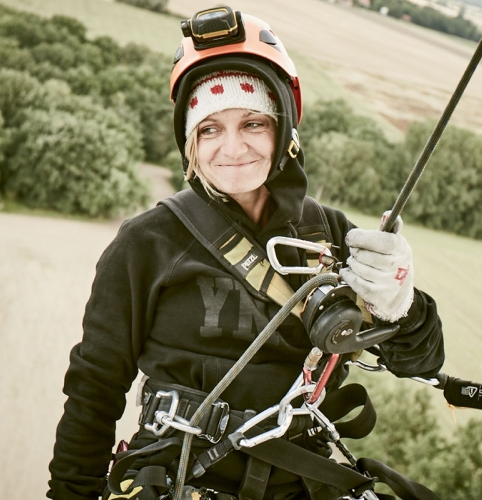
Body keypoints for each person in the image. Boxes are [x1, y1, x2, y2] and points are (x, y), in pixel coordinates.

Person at [48, 7, 444, 500]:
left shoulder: (331, 235)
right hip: (178, 476)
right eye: (210, 128)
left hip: (304, 483)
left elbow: (423, 361)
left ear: (284, 129)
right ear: (190, 140)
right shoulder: (147, 243)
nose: (232, 147)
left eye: (253, 122)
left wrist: (402, 302)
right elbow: (94, 389)